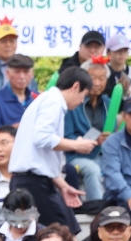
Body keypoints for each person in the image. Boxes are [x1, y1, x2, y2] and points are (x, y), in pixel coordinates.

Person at [9, 67, 95, 230]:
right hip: (33, 182)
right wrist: (76, 145)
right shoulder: (53, 101)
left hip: (33, 180)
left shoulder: (48, 100)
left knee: (61, 231)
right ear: (76, 87)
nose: (81, 102)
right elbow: (42, 138)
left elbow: (40, 154)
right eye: (83, 95)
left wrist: (62, 185)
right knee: (60, 232)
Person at [63, 59, 111, 203]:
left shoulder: (109, 103)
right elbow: (66, 136)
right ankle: (96, 209)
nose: (97, 83)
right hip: (74, 156)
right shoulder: (73, 102)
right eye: (92, 78)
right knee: (92, 169)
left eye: (101, 78)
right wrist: (93, 141)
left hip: (104, 154)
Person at [0, 54, 37, 139]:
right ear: (8, 74)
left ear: (32, 74)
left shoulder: (37, 99)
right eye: (17, 72)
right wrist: (12, 130)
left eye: (26, 72)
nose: (22, 77)